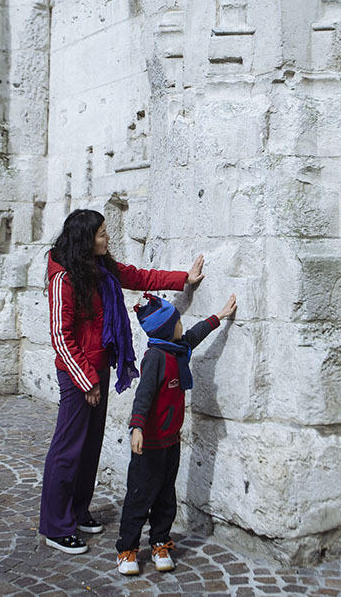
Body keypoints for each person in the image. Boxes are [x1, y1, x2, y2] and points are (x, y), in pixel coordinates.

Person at [39, 208, 205, 555]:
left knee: (89, 447)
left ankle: (77, 510)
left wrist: (183, 279)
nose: (107, 237)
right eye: (101, 233)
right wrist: (87, 381)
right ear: (86, 239)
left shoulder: (100, 269)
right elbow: (60, 335)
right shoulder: (63, 279)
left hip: (97, 368)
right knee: (68, 449)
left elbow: (138, 276)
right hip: (77, 374)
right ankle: (56, 525)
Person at [115, 290, 237, 576]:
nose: (182, 324)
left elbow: (194, 336)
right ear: (168, 328)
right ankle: (128, 549)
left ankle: (160, 542)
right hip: (149, 443)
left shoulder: (177, 348)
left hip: (171, 440)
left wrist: (218, 316)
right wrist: (137, 428)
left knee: (165, 496)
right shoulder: (156, 357)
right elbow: (143, 396)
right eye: (178, 320)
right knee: (139, 496)